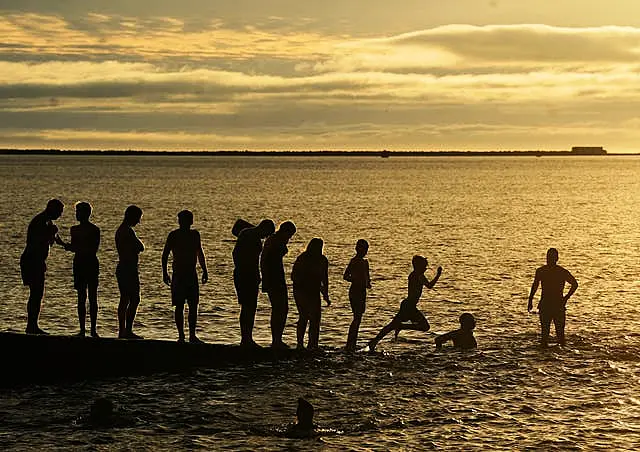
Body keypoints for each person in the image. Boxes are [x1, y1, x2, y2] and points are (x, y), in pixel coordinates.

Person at [368, 255, 442, 351]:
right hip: (409, 306)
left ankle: (375, 341)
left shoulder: (414, 275)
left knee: (392, 326)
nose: (425, 268)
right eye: (424, 266)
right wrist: (438, 275)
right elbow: (430, 286)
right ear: (418, 266)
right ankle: (378, 339)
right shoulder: (418, 275)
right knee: (424, 326)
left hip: (408, 305)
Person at [162, 210, 208, 343]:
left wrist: (204, 270)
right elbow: (165, 255)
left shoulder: (195, 235)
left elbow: (200, 252)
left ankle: (192, 335)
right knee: (179, 305)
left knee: (193, 305)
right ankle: (182, 336)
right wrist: (165, 273)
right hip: (179, 274)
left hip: (191, 273)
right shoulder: (173, 235)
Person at [20, 199, 64, 334]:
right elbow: (37, 241)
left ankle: (33, 324)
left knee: (37, 294)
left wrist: (65, 244)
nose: (60, 216)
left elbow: (51, 242)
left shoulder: (48, 222)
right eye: (59, 212)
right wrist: (50, 233)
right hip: (32, 260)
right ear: (52, 209)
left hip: (38, 261)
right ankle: (31, 325)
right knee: (36, 293)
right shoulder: (39, 221)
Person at [60, 202, 101, 338]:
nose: (76, 214)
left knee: (92, 297)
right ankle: (83, 329)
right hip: (80, 263)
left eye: (78, 212)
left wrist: (67, 246)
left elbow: (91, 249)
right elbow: (76, 247)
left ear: (86, 213)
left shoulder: (94, 230)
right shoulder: (75, 229)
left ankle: (92, 330)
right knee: (82, 297)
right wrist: (64, 244)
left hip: (89, 263)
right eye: (76, 212)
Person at [233, 219, 276, 347]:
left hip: (248, 274)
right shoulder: (250, 236)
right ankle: (246, 339)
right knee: (248, 307)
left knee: (249, 307)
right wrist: (244, 270)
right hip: (245, 274)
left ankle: (247, 338)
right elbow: (236, 254)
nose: (266, 237)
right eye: (267, 234)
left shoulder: (248, 234)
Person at [527, 247, 578, 347]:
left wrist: (565, 298)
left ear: (556, 259)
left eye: (550, 257)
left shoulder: (550, 271)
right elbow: (535, 285)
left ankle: (547, 355)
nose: (549, 259)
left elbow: (575, 284)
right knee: (550, 335)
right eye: (548, 257)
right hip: (550, 304)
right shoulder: (544, 271)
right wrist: (530, 300)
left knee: (554, 335)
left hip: (554, 304)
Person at [260, 221, 297, 348]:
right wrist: (265, 278)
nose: (290, 238)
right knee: (279, 308)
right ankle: (276, 340)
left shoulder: (275, 241)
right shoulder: (273, 241)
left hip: (278, 277)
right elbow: (264, 260)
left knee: (282, 309)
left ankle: (277, 339)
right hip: (273, 278)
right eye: (289, 235)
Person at [291, 238, 330, 350]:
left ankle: (312, 344)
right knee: (305, 317)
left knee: (314, 319)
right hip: (302, 290)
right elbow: (294, 276)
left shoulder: (322, 260)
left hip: (312, 291)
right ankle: (301, 344)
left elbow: (324, 279)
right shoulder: (304, 258)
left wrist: (325, 295)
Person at [116, 205, 144, 339]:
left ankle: (124, 330)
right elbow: (140, 247)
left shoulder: (122, 230)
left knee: (126, 299)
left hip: (125, 267)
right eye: (138, 218)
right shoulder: (127, 231)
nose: (138, 222)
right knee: (132, 299)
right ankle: (126, 330)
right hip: (128, 268)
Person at [344, 239, 371, 351]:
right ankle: (350, 343)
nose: (364, 251)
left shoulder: (365, 263)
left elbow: (367, 277)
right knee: (356, 317)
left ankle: (352, 342)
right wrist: (355, 279)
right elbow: (345, 276)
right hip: (355, 290)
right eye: (362, 249)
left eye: (365, 249)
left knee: (358, 317)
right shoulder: (354, 261)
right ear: (357, 249)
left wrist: (367, 283)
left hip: (362, 291)